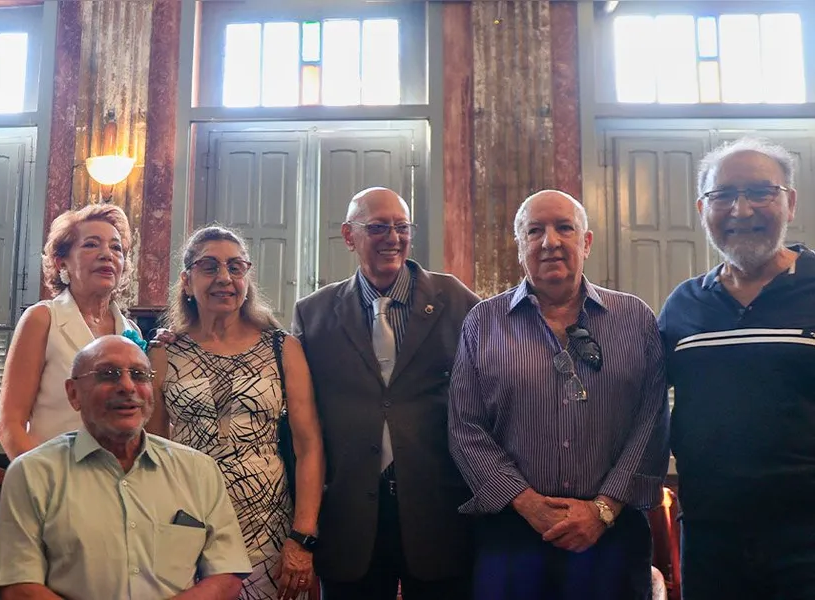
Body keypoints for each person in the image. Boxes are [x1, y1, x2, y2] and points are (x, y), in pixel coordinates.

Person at [448, 190, 670, 600]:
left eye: (564, 227)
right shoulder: (483, 322)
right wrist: (527, 503)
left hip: (612, 535)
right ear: (520, 248)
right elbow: (465, 428)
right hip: (513, 535)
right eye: (535, 231)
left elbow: (652, 419)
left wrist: (602, 509)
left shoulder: (635, 318)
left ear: (585, 241)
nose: (550, 241)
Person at [291, 187, 479, 599]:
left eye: (401, 227)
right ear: (348, 234)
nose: (392, 238)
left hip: (438, 514)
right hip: (350, 518)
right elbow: (298, 417)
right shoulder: (314, 313)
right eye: (377, 227)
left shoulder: (457, 301)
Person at [659, 138, 815, 599]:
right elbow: (636, 401)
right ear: (702, 209)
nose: (740, 210)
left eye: (759, 192)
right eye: (723, 195)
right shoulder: (683, 305)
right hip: (711, 540)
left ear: (789, 200)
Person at [0, 335, 252, 599]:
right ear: (73, 393)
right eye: (108, 374)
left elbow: (227, 572)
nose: (127, 386)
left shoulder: (199, 470)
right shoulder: (33, 473)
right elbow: (18, 586)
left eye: (139, 375)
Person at [146, 225, 325, 599]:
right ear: (186, 280)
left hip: (268, 524)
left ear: (247, 277)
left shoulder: (282, 347)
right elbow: (153, 449)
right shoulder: (164, 352)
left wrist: (302, 535)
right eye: (209, 267)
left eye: (236, 267)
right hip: (187, 521)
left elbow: (309, 446)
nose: (224, 278)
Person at [0, 203, 141, 460]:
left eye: (116, 247)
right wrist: (41, 484)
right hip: (54, 480)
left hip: (120, 481)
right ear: (61, 261)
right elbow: (11, 423)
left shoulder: (131, 331)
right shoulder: (43, 319)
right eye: (91, 244)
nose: (106, 254)